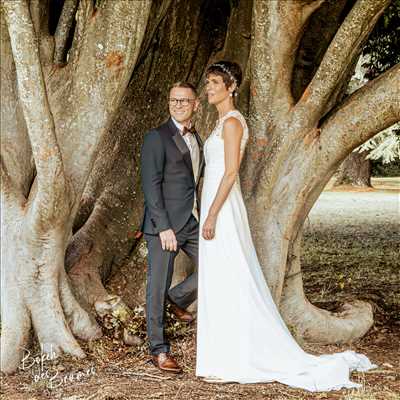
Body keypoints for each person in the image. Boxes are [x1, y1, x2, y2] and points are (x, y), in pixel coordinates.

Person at [195, 61, 375, 391]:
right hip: (212, 203)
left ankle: (235, 355)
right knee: (218, 277)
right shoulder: (220, 121)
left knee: (230, 276)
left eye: (214, 83)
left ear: (231, 87)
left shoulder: (233, 123)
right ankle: (221, 354)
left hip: (222, 208)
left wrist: (211, 215)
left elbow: (231, 172)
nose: (208, 88)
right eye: (207, 82)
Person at [140, 82, 204, 373]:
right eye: (173, 100)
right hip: (162, 225)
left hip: (190, 221)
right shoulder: (157, 137)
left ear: (196, 104)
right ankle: (159, 350)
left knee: (216, 264)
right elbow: (151, 186)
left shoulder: (197, 139)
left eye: (184, 100)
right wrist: (163, 227)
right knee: (156, 285)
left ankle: (177, 298)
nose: (178, 105)